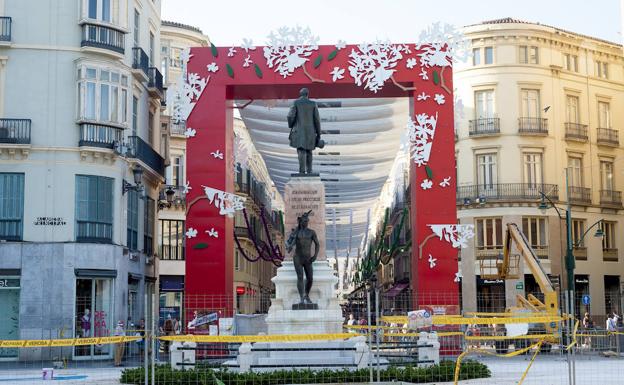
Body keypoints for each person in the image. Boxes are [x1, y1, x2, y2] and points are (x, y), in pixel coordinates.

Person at [287, 87, 323, 175]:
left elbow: (290, 116)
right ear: (307, 95)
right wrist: (318, 133)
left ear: (300, 94)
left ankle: (302, 171)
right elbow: (317, 120)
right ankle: (309, 170)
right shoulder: (313, 104)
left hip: (298, 131)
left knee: (301, 150)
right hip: (310, 132)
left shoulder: (296, 102)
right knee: (309, 151)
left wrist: (291, 125)